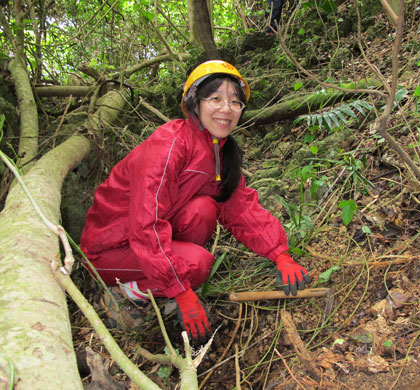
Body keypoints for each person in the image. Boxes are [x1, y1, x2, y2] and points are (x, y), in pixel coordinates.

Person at [80, 60, 311, 345]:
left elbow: (240, 208)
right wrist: (181, 290)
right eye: (215, 99)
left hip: (148, 241)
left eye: (235, 102)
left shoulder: (218, 152)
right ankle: (130, 292)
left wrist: (280, 254)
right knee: (200, 264)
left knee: (204, 209)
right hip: (110, 249)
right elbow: (145, 223)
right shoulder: (169, 144)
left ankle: (169, 279)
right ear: (194, 103)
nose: (226, 109)